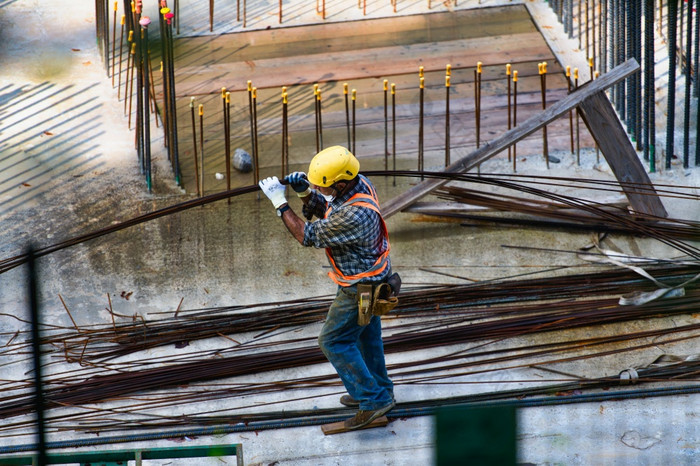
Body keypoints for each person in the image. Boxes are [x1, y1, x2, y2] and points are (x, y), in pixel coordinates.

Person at [259, 145, 396, 430]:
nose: (320, 190)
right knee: (366, 337)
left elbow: (308, 235)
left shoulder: (356, 215)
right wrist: (305, 194)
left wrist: (280, 203)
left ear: (341, 182)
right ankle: (380, 389)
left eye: (324, 186)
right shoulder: (360, 184)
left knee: (333, 341)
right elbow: (329, 211)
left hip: (360, 289)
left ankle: (371, 400)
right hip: (373, 281)